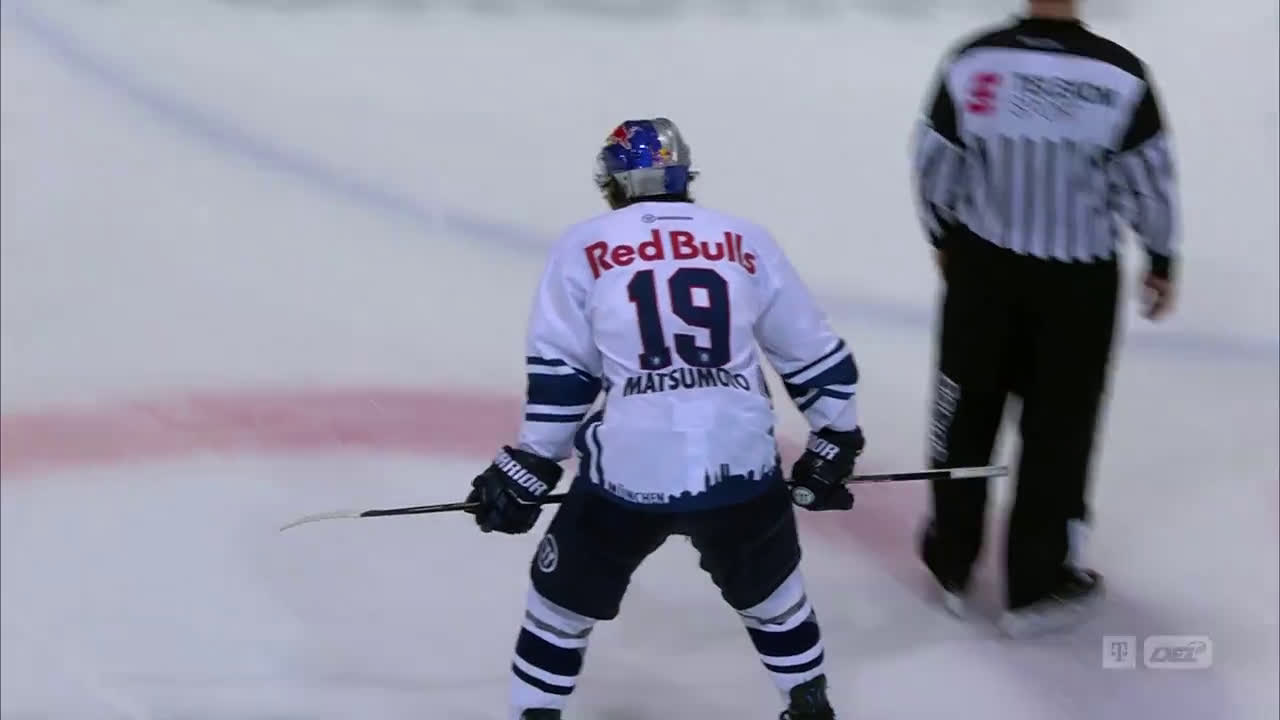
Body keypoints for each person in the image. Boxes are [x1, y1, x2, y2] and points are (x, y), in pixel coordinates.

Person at [463, 118, 865, 719]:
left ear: (612, 183)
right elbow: (811, 351)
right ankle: (808, 706)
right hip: (739, 464)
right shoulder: (744, 238)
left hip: (630, 472)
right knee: (777, 600)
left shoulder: (584, 246)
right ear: (683, 176)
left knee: (558, 611)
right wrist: (835, 438)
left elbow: (564, 373)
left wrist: (531, 464)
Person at [910, 0, 1180, 637]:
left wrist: (945, 237)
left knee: (964, 413)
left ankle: (952, 559)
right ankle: (1036, 583)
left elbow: (934, 162)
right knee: (1060, 428)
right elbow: (1148, 179)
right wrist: (1161, 256)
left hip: (984, 270)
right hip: (1077, 284)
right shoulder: (1122, 75)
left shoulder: (973, 60)